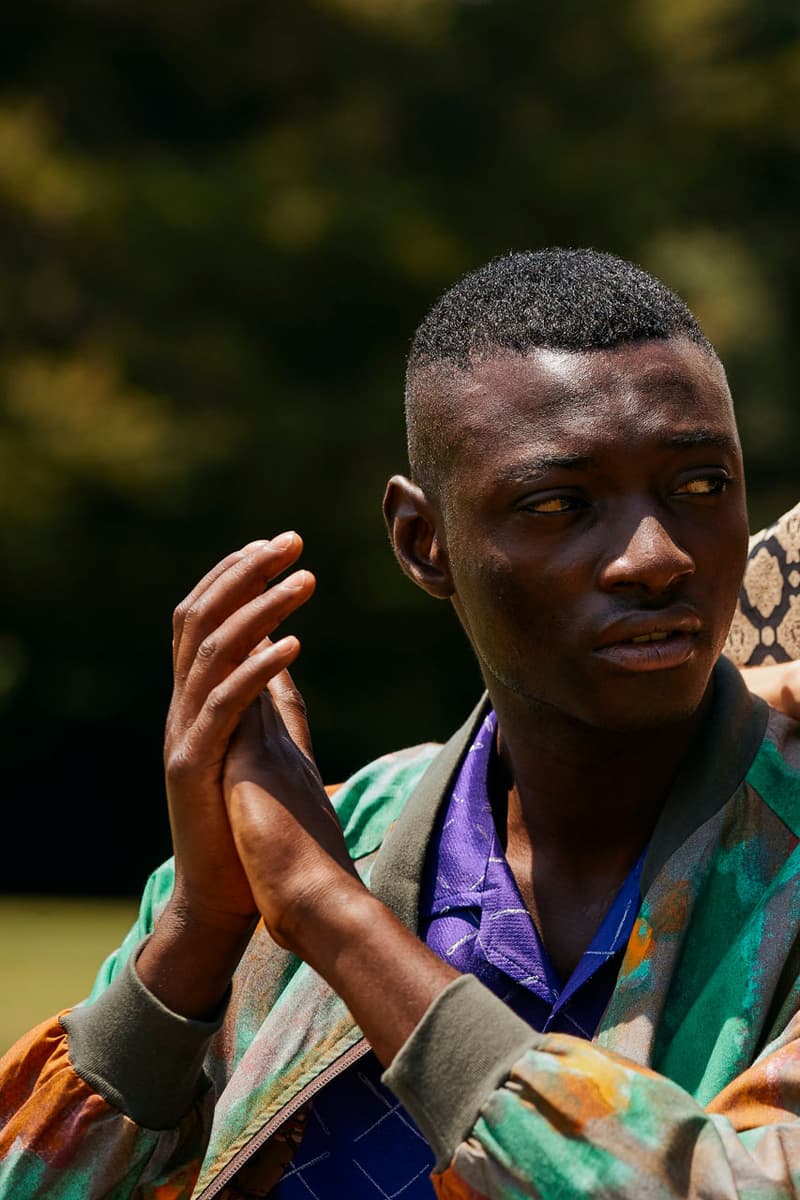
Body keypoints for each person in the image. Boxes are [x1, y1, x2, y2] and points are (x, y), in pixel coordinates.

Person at [3, 247, 800, 1200]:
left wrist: (337, 923)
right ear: (426, 542)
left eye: (702, 485)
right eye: (559, 503)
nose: (656, 556)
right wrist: (200, 931)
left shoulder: (305, 874)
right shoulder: (296, 845)